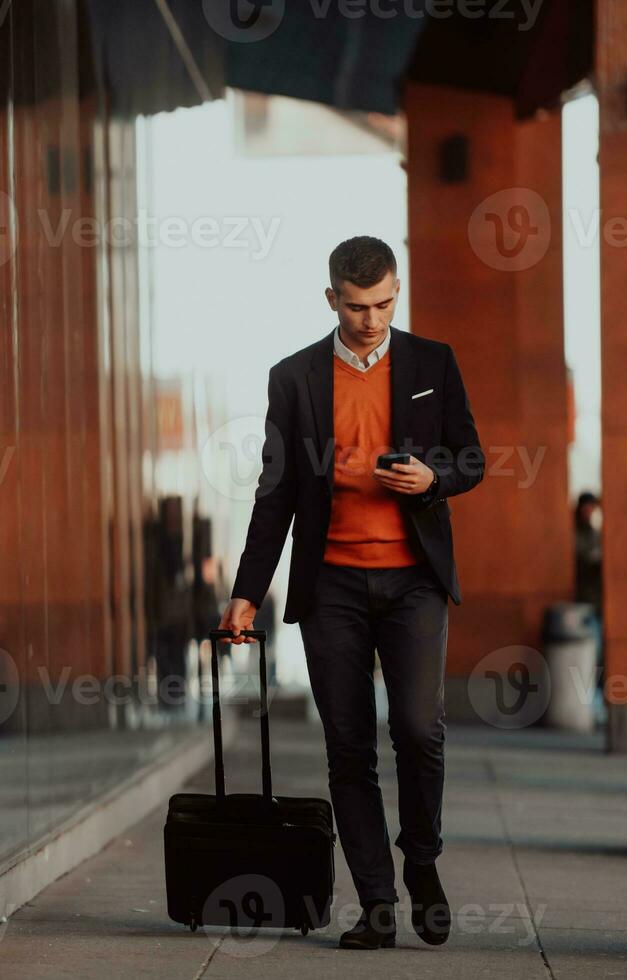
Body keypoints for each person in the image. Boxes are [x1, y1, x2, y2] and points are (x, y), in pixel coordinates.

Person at [218, 236, 484, 950]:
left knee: (420, 730)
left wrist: (434, 479)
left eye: (386, 303)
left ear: (398, 293)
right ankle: (376, 904)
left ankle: (420, 862)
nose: (374, 319)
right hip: (330, 581)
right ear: (332, 298)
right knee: (348, 748)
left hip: (413, 579)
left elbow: (471, 457)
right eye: (360, 305)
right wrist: (247, 593)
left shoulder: (433, 363)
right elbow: (274, 496)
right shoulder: (295, 378)